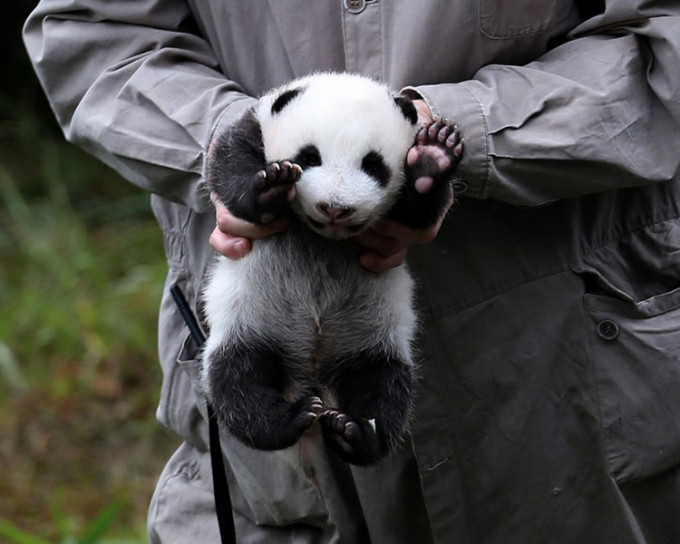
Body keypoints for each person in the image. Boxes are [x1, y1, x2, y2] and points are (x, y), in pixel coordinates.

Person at [23, 1, 680, 542]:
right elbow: (94, 37)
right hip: (272, 481)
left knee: (378, 386)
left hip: (562, 394)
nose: (335, 202)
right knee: (256, 387)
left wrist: (455, 141)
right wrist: (243, 151)